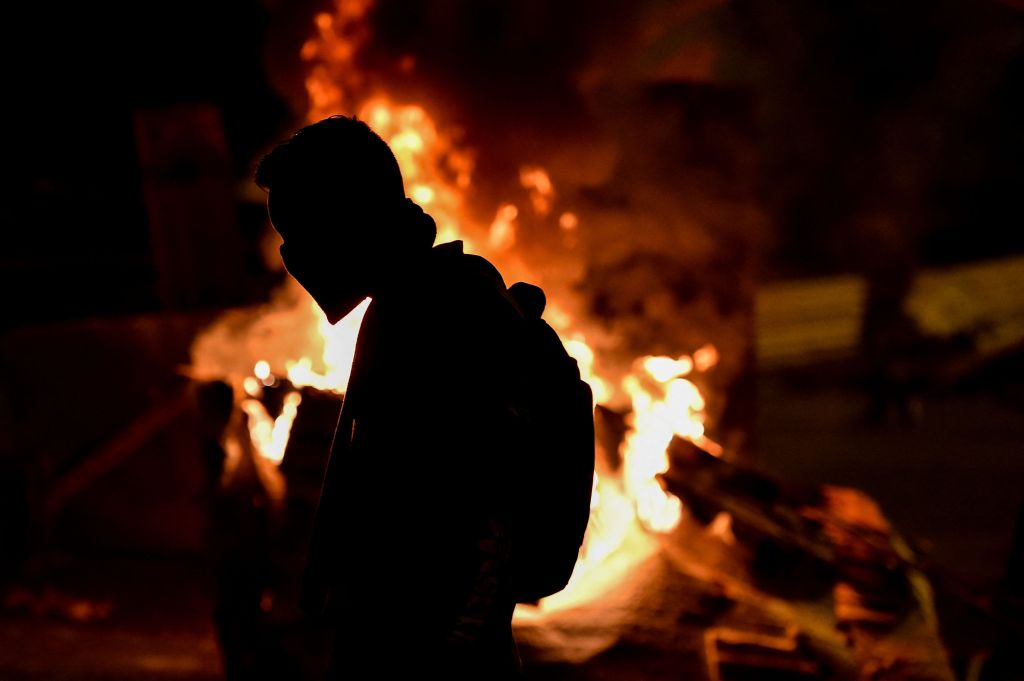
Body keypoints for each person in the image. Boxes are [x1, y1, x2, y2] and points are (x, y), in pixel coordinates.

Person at [255, 115, 527, 678]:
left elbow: (489, 507)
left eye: (300, 234)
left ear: (347, 222)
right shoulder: (402, 307)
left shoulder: (447, 313)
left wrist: (452, 649)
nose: (294, 256)